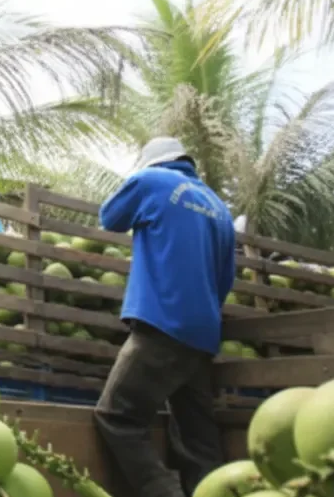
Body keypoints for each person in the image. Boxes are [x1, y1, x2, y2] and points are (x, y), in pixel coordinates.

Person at [92, 136, 237, 497]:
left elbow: (109, 218)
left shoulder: (151, 181)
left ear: (152, 162)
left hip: (161, 324)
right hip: (203, 334)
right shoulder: (220, 209)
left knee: (116, 416)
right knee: (198, 441)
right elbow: (225, 278)